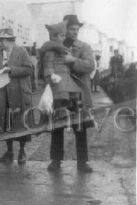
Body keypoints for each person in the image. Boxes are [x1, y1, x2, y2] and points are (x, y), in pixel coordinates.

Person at [47, 15, 95, 173]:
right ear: (64, 29)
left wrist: (72, 60)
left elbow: (89, 66)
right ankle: (55, 160)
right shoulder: (54, 46)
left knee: (80, 128)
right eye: (72, 29)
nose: (75, 32)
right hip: (60, 92)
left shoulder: (84, 47)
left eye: (77, 29)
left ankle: (82, 162)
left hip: (78, 94)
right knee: (57, 127)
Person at [0, 28, 33, 165]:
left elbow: (29, 69)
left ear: (10, 40)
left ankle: (22, 151)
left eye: (2, 40)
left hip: (19, 93)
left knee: (21, 123)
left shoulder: (21, 52)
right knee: (6, 124)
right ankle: (9, 152)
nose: (0, 43)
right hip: (3, 94)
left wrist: (12, 70)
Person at [39, 22, 82, 103]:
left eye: (64, 36)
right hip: (57, 81)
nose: (64, 38)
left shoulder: (61, 49)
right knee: (61, 102)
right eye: (61, 36)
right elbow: (48, 64)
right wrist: (51, 75)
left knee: (71, 101)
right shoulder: (50, 50)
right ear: (53, 37)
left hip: (64, 80)